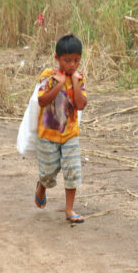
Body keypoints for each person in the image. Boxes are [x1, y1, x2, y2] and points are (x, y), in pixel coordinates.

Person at [33, 34, 88, 224]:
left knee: (72, 170)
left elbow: (80, 105)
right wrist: (58, 84)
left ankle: (69, 209)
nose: (72, 65)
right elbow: (42, 101)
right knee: (49, 172)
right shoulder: (48, 76)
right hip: (48, 134)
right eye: (67, 60)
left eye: (76, 60)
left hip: (70, 133)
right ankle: (42, 185)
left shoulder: (79, 80)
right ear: (57, 59)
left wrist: (73, 82)